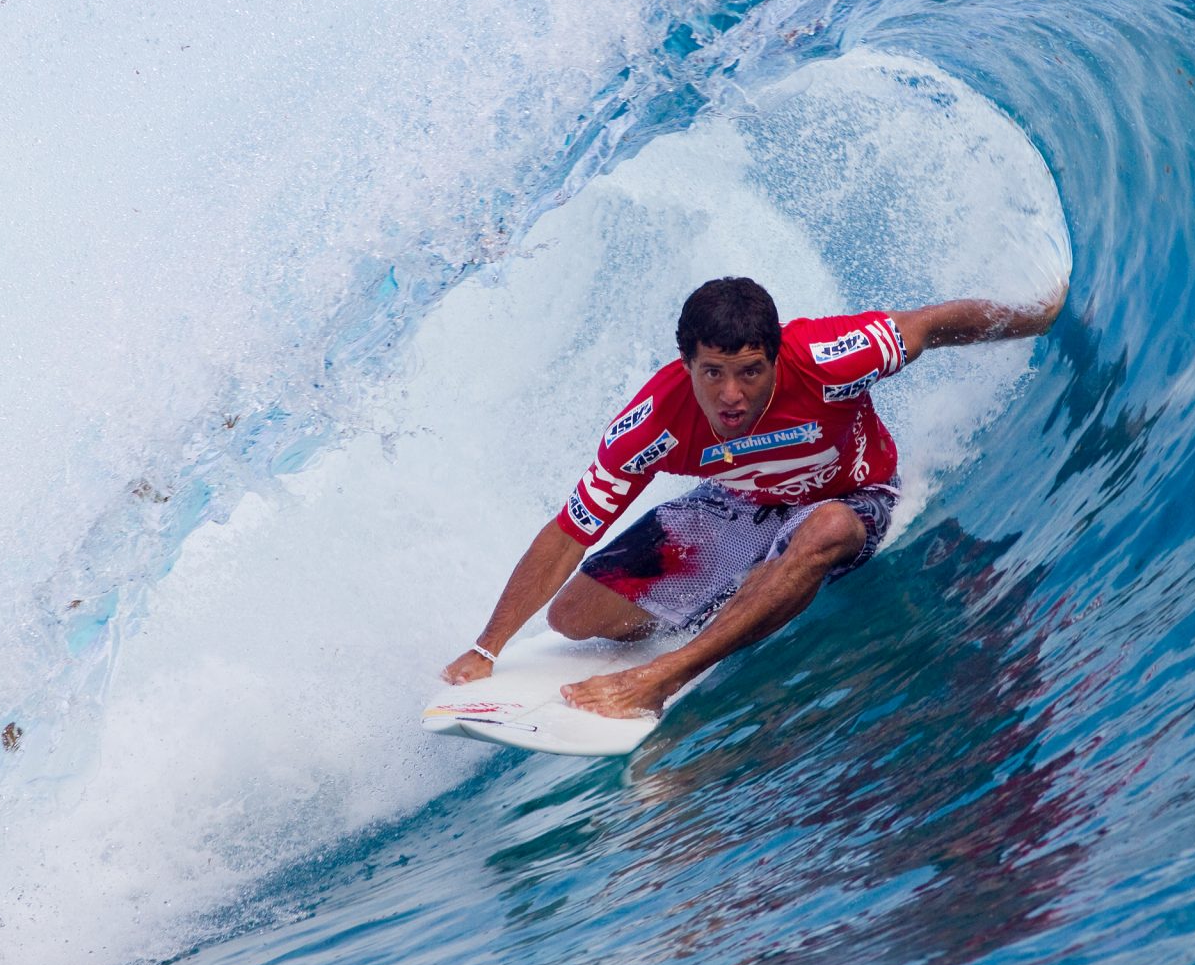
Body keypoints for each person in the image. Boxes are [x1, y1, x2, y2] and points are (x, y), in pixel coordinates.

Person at [441, 275, 1065, 718]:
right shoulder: (654, 422)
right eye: (712, 372)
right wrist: (484, 648)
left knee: (823, 532)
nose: (731, 394)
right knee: (573, 619)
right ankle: (733, 591)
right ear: (686, 365)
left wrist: (1038, 316)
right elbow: (570, 532)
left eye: (750, 371)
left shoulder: (828, 357)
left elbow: (929, 325)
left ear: (775, 356)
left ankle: (665, 674)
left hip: (853, 494)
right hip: (739, 502)